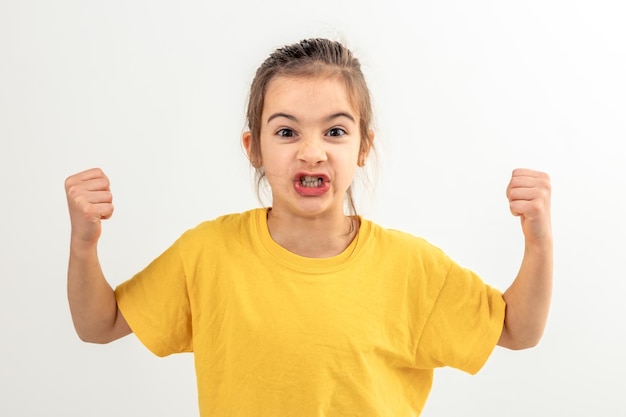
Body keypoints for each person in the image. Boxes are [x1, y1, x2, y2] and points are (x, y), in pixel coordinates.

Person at [64, 38, 553, 416]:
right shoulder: (207, 253)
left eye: (335, 131)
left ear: (363, 147)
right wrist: (84, 246)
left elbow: (517, 329)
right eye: (286, 131)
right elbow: (99, 324)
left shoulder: (411, 266)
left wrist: (539, 240)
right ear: (253, 147)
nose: (312, 150)